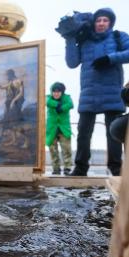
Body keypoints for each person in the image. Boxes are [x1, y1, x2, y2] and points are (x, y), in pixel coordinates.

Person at [64, 8, 129, 176]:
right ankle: (80, 167)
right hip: (89, 93)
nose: (101, 23)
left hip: (112, 91)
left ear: (110, 23)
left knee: (113, 132)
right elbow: (71, 63)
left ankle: (116, 168)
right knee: (83, 132)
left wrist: (110, 58)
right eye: (98, 20)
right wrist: (70, 38)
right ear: (94, 23)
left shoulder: (118, 37)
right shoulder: (85, 41)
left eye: (105, 20)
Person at [46, 82, 74, 175]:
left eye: (58, 91)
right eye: (54, 91)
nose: (56, 93)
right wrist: (57, 104)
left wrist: (61, 108)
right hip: (52, 129)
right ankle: (56, 168)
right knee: (53, 150)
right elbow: (47, 101)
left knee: (66, 149)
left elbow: (70, 104)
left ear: (62, 92)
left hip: (64, 128)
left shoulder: (67, 98)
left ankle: (67, 168)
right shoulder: (48, 98)